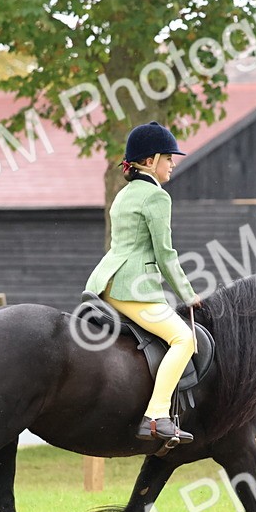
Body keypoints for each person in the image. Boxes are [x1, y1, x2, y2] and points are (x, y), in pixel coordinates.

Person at [86, 121, 201, 444]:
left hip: (107, 281)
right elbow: (165, 254)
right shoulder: (156, 197)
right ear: (149, 161)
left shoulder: (124, 194)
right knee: (183, 340)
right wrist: (188, 295)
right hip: (133, 287)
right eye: (168, 158)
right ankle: (157, 415)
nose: (173, 164)